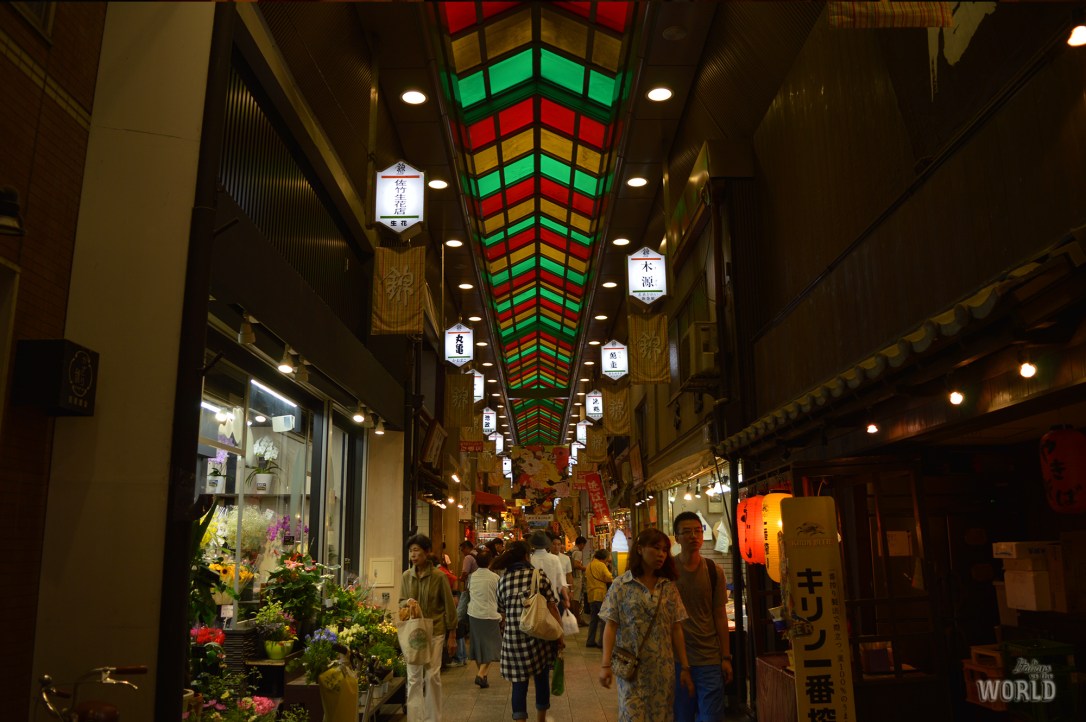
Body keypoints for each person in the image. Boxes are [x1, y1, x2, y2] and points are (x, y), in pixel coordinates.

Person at [598, 528, 694, 722]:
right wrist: (605, 664)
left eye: (665, 550)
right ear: (640, 549)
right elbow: (611, 626)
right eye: (656, 548)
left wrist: (685, 667)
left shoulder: (668, 587)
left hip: (662, 671)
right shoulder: (621, 585)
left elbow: (676, 629)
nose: (661, 554)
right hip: (631, 672)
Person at [494, 541, 565, 722]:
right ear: (527, 556)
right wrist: (560, 635)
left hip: (513, 640)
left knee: (519, 685)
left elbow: (502, 613)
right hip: (538, 638)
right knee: (541, 679)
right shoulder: (538, 576)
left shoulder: (502, 581)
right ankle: (541, 719)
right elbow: (552, 607)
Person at [673, 511, 733, 722]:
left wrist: (726, 657)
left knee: (711, 717)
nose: (693, 536)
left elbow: (720, 616)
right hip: (676, 660)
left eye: (698, 531)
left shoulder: (714, 571)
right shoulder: (667, 571)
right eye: (687, 532)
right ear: (677, 537)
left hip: (709, 659)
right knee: (682, 717)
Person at [399, 534, 458, 722]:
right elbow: (400, 601)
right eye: (411, 551)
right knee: (413, 677)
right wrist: (407, 603)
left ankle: (433, 719)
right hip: (414, 632)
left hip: (435, 630)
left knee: (432, 676)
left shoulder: (439, 576)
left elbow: (449, 605)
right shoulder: (406, 576)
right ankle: (415, 719)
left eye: (416, 550)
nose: (413, 555)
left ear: (426, 552)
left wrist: (452, 635)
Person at [466, 549, 501, 688]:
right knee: (493, 645)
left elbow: (469, 591)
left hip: (474, 614)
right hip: (490, 614)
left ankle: (483, 676)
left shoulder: (472, 577)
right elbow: (499, 596)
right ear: (490, 562)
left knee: (478, 646)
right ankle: (481, 674)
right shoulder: (495, 578)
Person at [528, 531, 570, 614]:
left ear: (533, 545)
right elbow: (561, 583)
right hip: (552, 602)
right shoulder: (554, 559)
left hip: (534, 603)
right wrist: (567, 599)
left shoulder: (530, 560)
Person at [453, 540, 478, 667]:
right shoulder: (478, 555)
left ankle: (460, 655)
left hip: (469, 590)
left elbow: (464, 573)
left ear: (467, 548)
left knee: (458, 618)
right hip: (477, 591)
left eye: (462, 549)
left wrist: (459, 579)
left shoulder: (468, 557)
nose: (462, 552)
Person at [584, 548, 612, 648]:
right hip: (600, 594)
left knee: (593, 619)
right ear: (604, 558)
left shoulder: (589, 565)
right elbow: (609, 577)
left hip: (591, 595)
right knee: (604, 619)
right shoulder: (601, 565)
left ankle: (590, 640)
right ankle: (601, 642)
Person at [550, 535, 573, 610]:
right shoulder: (546, 558)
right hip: (550, 590)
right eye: (554, 544)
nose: (556, 547)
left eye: (558, 544)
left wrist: (571, 590)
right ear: (550, 545)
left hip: (563, 590)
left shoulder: (566, 558)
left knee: (562, 611)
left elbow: (569, 575)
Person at [570, 536, 589, 621]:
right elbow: (576, 565)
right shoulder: (578, 552)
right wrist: (585, 568)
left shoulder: (572, 551)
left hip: (572, 577)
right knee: (576, 599)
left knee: (573, 598)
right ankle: (577, 618)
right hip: (577, 577)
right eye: (584, 545)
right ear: (581, 544)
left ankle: (574, 617)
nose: (583, 547)